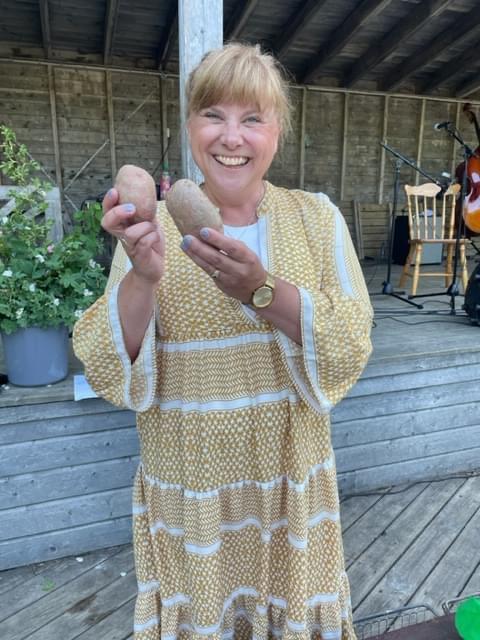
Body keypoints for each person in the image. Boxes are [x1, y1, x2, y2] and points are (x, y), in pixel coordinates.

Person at [73, 42, 373, 640]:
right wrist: (143, 276)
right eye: (213, 114)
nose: (231, 137)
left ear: (278, 132)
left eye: (252, 118)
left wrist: (261, 289)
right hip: (194, 488)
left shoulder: (316, 218)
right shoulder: (152, 228)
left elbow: (351, 339)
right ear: (190, 126)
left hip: (290, 482)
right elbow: (110, 361)